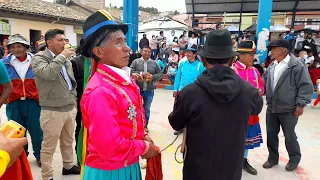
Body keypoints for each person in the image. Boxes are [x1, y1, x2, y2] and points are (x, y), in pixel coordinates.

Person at [169, 29, 263, 180]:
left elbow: (176, 122)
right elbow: (257, 108)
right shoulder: (249, 92)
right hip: (231, 170)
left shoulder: (189, 93)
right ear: (232, 61)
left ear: (204, 61)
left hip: (197, 171)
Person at [80, 11, 158, 179]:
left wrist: (142, 135)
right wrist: (143, 147)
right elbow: (109, 147)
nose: (128, 48)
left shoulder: (121, 80)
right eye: (118, 42)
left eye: (124, 41)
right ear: (99, 52)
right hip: (110, 172)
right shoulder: (101, 91)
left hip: (127, 164)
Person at [32, 29, 79, 180]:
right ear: (49, 42)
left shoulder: (65, 58)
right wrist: (62, 57)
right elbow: (48, 73)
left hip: (69, 107)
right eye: (60, 40)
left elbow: (70, 81)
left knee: (68, 141)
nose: (64, 43)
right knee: (49, 146)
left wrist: (74, 102)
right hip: (52, 110)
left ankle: (68, 166)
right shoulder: (39, 58)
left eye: (65, 40)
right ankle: (47, 175)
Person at [263, 39, 313, 172]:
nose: (271, 51)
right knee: (271, 134)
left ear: (284, 50)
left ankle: (294, 158)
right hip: (272, 107)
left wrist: (300, 104)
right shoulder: (272, 65)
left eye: (274, 48)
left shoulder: (296, 65)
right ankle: (273, 158)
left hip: (289, 108)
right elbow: (265, 81)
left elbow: (305, 85)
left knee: (289, 135)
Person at [1, 34, 43, 167]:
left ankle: (39, 155)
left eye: (19, 46)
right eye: (13, 47)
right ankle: (21, 156)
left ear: (25, 47)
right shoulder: (4, 63)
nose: (16, 49)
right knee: (15, 132)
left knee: (37, 131)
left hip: (33, 102)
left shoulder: (36, 60)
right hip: (14, 103)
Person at [234, 40, 264, 175]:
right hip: (235, 112)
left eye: (253, 55)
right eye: (250, 55)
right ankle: (233, 159)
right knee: (234, 137)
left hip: (251, 111)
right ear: (241, 56)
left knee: (247, 137)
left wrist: (259, 91)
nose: (253, 58)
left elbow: (262, 87)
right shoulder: (232, 70)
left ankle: (243, 160)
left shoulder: (255, 71)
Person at [172, 44, 206, 135]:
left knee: (193, 111)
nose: (187, 54)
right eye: (187, 52)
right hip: (181, 91)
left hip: (195, 92)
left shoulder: (200, 65)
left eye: (190, 52)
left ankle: (192, 128)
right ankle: (179, 127)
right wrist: (175, 89)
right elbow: (178, 77)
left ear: (195, 54)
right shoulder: (182, 63)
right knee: (179, 110)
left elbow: (204, 79)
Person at [130, 46, 163, 132]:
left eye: (149, 52)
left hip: (149, 90)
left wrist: (152, 77)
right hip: (137, 90)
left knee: (146, 109)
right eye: (145, 51)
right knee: (136, 108)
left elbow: (160, 74)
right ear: (141, 52)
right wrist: (141, 73)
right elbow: (130, 71)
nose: (147, 53)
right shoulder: (135, 62)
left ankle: (145, 126)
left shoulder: (154, 63)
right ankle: (136, 125)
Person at [70, 39, 85, 161]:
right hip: (81, 100)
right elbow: (72, 83)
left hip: (97, 101)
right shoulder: (75, 61)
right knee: (80, 128)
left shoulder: (99, 60)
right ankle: (79, 155)